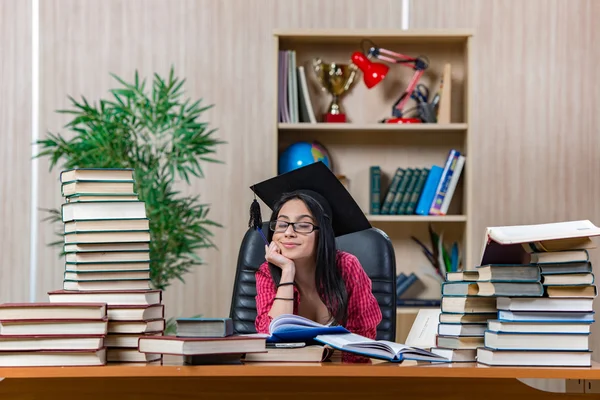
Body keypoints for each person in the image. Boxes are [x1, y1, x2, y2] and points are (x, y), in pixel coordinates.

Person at [249, 162, 382, 362]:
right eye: (282, 224)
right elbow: (270, 337)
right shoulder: (268, 272)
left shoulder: (346, 267)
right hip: (284, 376)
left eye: (303, 225)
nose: (288, 233)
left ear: (323, 234)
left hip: (341, 379)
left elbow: (363, 338)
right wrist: (287, 272)